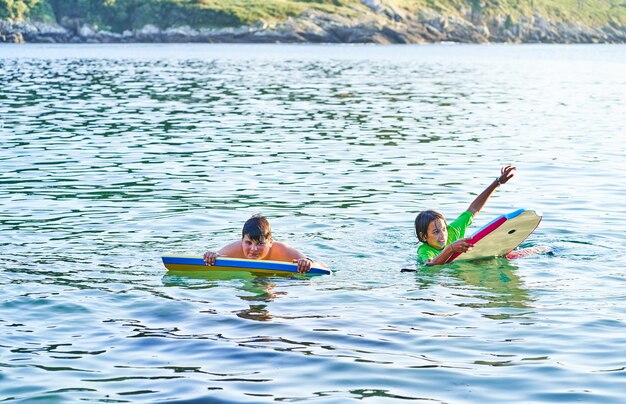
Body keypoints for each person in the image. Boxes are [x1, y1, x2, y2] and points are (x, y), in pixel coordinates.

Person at [415, 166, 516, 266]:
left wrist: (497, 182)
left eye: (444, 229)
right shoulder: (424, 250)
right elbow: (429, 264)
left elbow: (474, 209)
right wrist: (451, 249)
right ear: (423, 236)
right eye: (436, 232)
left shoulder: (453, 231)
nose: (443, 235)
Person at [203, 214, 327, 273]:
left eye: (260, 243)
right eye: (248, 243)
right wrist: (210, 256)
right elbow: (213, 257)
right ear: (242, 241)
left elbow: (322, 267)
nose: (253, 248)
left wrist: (307, 262)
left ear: (270, 242)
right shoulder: (234, 249)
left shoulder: (283, 250)